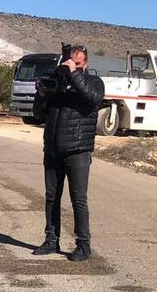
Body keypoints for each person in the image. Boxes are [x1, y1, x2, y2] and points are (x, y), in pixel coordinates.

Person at [30, 44, 105, 262]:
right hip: (53, 149)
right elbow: (37, 114)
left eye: (78, 63)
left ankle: (83, 245)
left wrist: (73, 74)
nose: (74, 66)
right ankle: (51, 240)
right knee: (51, 198)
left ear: (86, 64)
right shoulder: (57, 84)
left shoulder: (93, 82)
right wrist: (42, 94)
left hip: (78, 150)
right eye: (70, 63)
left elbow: (93, 98)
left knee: (78, 199)